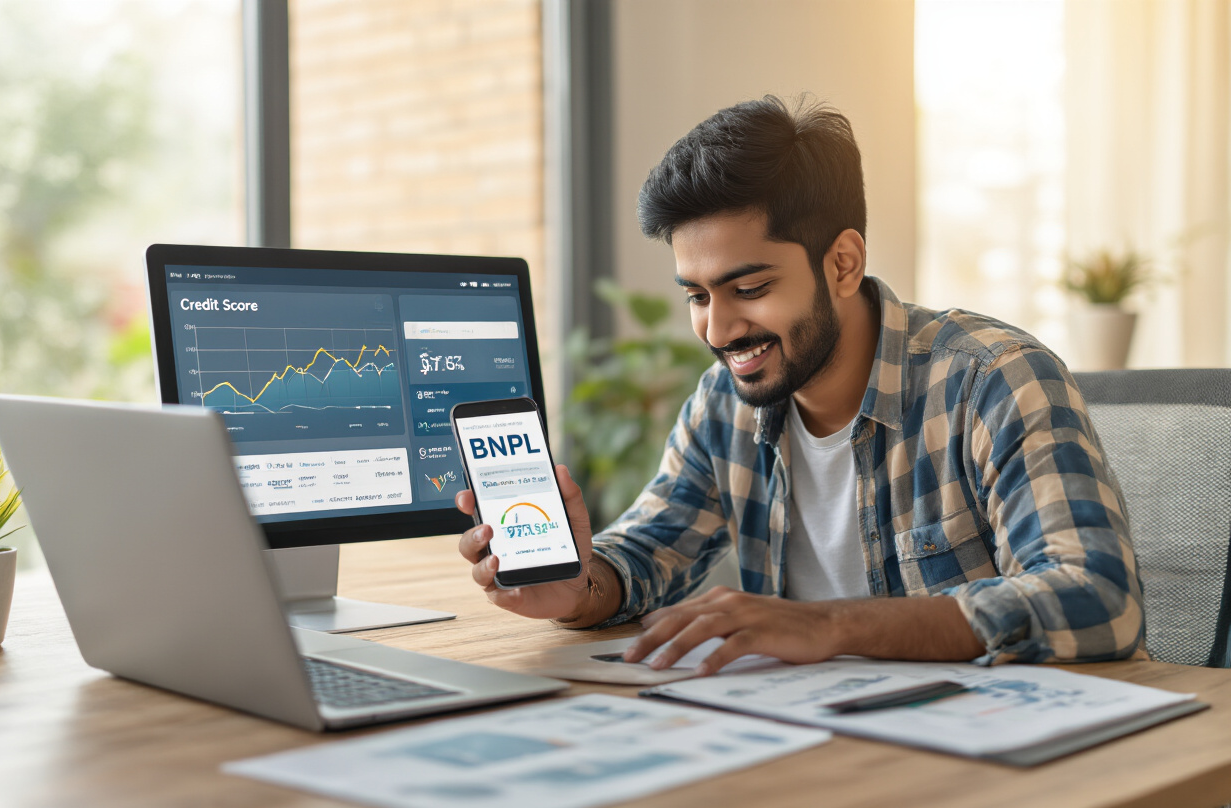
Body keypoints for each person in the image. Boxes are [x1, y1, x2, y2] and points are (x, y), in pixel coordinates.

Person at [455, 95, 1145, 674]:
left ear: (842, 264)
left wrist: (831, 626)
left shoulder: (992, 381)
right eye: (696, 294)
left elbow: (1098, 598)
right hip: (831, 745)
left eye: (749, 288)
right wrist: (576, 588)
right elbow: (643, 556)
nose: (718, 329)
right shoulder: (724, 405)